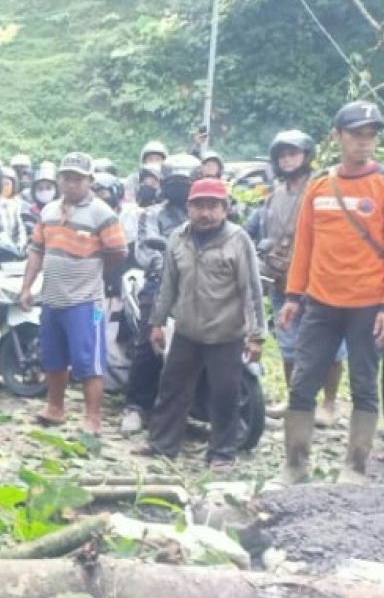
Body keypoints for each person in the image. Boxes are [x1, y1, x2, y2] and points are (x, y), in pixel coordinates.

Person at [278, 101, 384, 484]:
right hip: (320, 303)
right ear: (338, 136)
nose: (364, 142)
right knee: (303, 381)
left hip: (369, 305)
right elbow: (303, 245)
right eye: (356, 134)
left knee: (364, 385)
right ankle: (294, 463)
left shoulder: (382, 184)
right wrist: (293, 296)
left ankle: (355, 466)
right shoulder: (320, 187)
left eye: (371, 134)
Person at [141, 178, 266, 467]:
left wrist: (256, 334)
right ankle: (163, 445)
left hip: (225, 333)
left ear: (225, 209)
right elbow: (168, 285)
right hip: (186, 330)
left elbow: (252, 290)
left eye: (213, 206)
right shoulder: (178, 238)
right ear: (189, 208)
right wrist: (157, 323)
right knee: (172, 388)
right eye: (199, 206)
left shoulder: (238, 240)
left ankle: (222, 453)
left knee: (225, 395)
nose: (205, 213)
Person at [20, 153, 128, 435]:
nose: (71, 184)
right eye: (66, 177)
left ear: (89, 181)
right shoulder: (49, 212)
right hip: (52, 297)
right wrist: (26, 286)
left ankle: (93, 419)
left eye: (78, 178)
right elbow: (37, 251)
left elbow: (118, 251)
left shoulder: (102, 213)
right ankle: (55, 408)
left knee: (89, 360)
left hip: (87, 300)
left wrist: (92, 269)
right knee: (53, 357)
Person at [257, 129, 345, 423]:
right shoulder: (273, 197)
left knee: (331, 344)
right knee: (288, 343)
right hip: (282, 278)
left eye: (293, 153)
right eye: (282, 155)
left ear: (306, 156)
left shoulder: (322, 188)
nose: (287, 159)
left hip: (320, 278)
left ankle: (329, 403)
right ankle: (295, 399)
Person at [120, 153, 199, 434]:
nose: (181, 188)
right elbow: (144, 252)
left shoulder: (204, 213)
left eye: (187, 182)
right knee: (148, 343)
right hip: (160, 283)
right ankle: (136, 406)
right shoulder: (150, 214)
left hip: (202, 285)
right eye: (175, 182)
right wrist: (174, 262)